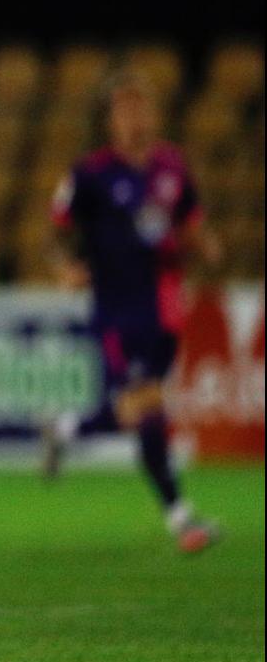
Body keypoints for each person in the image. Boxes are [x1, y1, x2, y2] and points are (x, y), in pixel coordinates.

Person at [46, 70, 220, 553]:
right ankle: (182, 519)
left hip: (165, 309)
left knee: (142, 412)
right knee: (145, 409)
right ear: (109, 120)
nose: (134, 117)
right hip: (116, 312)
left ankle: (66, 428)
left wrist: (204, 244)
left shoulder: (172, 166)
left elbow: (191, 221)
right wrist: (65, 269)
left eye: (141, 107)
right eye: (124, 109)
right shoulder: (90, 173)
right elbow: (54, 235)